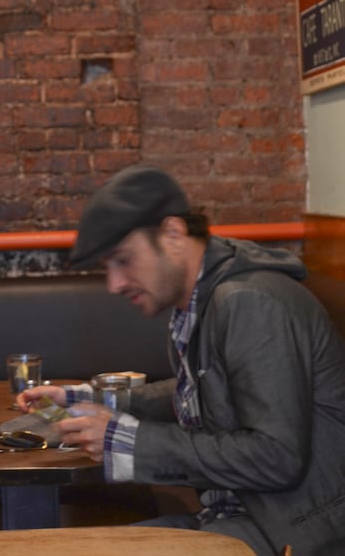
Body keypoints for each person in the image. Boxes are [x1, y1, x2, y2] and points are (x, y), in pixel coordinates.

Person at [18, 164, 345, 556]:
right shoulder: (201, 298)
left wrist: (130, 441)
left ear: (173, 234)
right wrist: (92, 399)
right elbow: (209, 387)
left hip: (300, 532)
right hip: (239, 516)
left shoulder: (249, 301)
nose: (114, 284)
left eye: (123, 260)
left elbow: (276, 458)